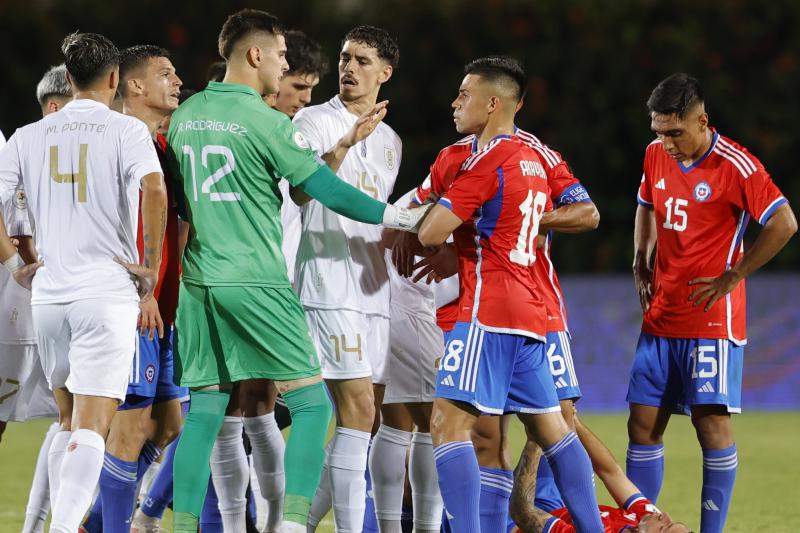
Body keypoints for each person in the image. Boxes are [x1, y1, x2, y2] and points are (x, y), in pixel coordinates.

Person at [165, 9, 426, 532]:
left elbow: (175, 202)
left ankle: (183, 525)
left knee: (207, 413)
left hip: (200, 281)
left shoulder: (186, 114)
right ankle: (292, 525)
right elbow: (320, 189)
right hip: (259, 277)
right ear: (256, 54)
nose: (287, 66)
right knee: (311, 409)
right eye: (282, 55)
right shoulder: (268, 122)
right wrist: (398, 215)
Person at [415, 56, 603, 533]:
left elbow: (430, 232)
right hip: (530, 311)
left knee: (447, 426)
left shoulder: (488, 158)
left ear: (493, 102)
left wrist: (448, 217)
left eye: (465, 94)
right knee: (553, 430)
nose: (456, 102)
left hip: (487, 308)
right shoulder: (533, 161)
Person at [0, 32, 167, 533]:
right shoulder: (125, 131)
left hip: (48, 295)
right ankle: (63, 526)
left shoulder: (30, 135)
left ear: (67, 78)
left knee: (68, 421)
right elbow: (154, 189)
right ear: (114, 78)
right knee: (93, 427)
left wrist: (14, 265)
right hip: (105, 292)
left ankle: (40, 525)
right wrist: (152, 265)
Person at [628, 72, 797, 533]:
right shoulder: (654, 155)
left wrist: (735, 275)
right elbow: (645, 203)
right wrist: (642, 257)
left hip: (709, 321)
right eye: (659, 132)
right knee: (642, 427)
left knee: (710, 430)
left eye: (675, 132)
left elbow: (784, 223)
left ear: (702, 120)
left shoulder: (736, 166)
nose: (666, 143)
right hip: (661, 317)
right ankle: (641, 525)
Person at [288, 25, 401, 533]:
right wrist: (343, 145)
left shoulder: (393, 142)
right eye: (345, 57)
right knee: (354, 409)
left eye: (361, 60)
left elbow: (376, 217)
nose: (348, 68)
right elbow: (301, 194)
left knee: (365, 419)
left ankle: (300, 522)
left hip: (373, 289)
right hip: (329, 285)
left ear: (385, 72)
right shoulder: (313, 121)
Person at [79, 44, 186, 533]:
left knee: (168, 426)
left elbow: (178, 228)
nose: (178, 82)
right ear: (135, 85)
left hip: (162, 308)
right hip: (129, 306)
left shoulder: (163, 149)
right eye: (166, 74)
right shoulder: (115, 141)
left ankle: (96, 523)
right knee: (128, 430)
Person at [0, 64, 70, 533]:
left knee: (74, 416)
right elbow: (19, 230)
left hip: (42, 303)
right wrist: (19, 268)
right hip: (18, 303)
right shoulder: (21, 146)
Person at [509, 404, 691, 533]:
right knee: (561, 414)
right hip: (556, 506)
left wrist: (535, 440)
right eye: (672, 522)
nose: (665, 515)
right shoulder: (644, 519)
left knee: (493, 447)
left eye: (665, 527)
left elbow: (521, 511)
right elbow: (611, 472)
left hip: (515, 520)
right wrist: (574, 422)